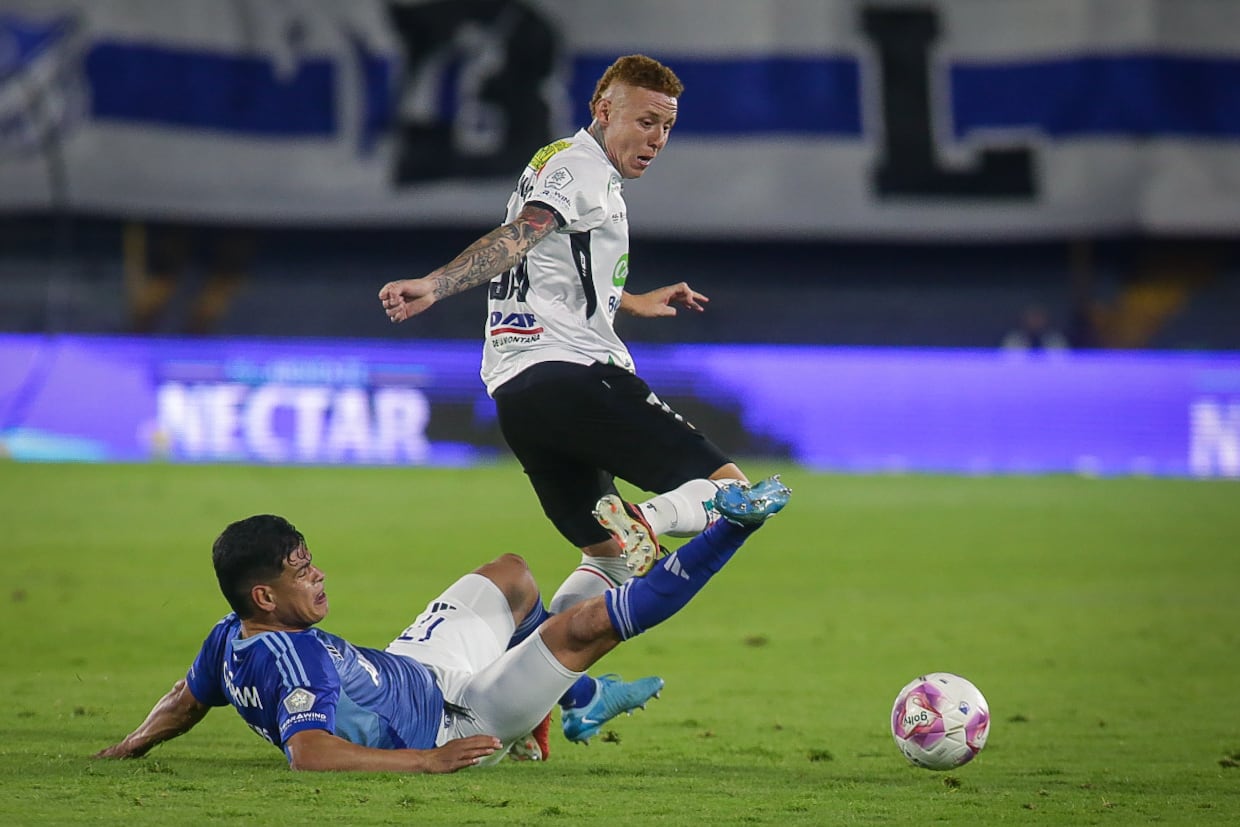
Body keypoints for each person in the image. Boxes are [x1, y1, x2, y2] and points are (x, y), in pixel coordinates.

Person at [378, 54, 749, 614]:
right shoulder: (583, 169)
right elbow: (521, 236)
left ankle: (557, 693)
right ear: (604, 110)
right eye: (646, 121)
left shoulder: (558, 162)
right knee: (733, 494)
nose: (658, 138)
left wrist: (628, 300)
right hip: (572, 378)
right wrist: (436, 283)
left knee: (608, 563)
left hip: (518, 396)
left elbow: (547, 263)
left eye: (667, 126)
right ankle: (644, 520)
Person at [94, 477, 791, 772]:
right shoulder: (289, 657)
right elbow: (309, 753)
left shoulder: (229, 634)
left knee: (512, 574)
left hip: (417, 667)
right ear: (264, 596)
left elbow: (187, 698)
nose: (319, 575)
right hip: (456, 720)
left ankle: (574, 702)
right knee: (582, 628)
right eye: (302, 571)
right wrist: (426, 760)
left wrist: (131, 744)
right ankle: (732, 529)